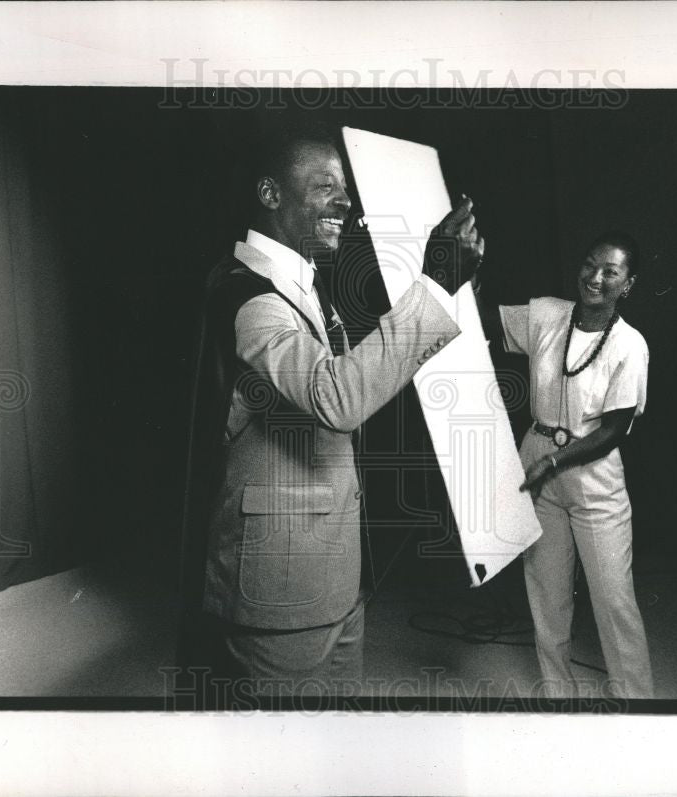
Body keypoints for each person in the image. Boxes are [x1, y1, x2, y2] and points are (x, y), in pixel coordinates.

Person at [180, 122, 485, 697]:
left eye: (345, 187)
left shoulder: (302, 286)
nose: (344, 200)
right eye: (324, 185)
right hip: (281, 593)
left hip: (335, 580)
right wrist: (438, 282)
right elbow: (335, 396)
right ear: (271, 196)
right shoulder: (248, 296)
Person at [479, 231, 654, 699]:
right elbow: (483, 323)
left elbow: (614, 429)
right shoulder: (548, 314)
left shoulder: (629, 345)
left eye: (610, 272)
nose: (595, 278)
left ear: (627, 283)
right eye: (590, 264)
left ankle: (636, 703)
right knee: (546, 593)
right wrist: (461, 276)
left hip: (590, 472)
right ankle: (559, 696)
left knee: (613, 599)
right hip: (537, 457)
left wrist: (555, 461)